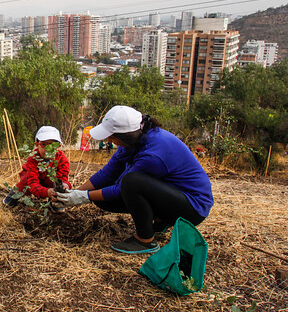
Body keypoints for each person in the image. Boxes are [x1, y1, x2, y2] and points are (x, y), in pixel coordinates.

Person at [56, 106, 213, 254]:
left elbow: (122, 188)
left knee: (131, 181)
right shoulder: (133, 141)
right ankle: (160, 219)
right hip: (171, 195)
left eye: (111, 136)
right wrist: (77, 192)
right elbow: (108, 173)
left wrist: (85, 197)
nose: (109, 141)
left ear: (124, 135)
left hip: (192, 207)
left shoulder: (153, 154)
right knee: (102, 196)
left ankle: (145, 240)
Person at [3, 126, 71, 210]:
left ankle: (56, 204)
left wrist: (64, 186)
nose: (48, 149)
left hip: (50, 180)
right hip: (30, 180)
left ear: (58, 146)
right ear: (37, 145)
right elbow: (32, 183)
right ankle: (11, 199)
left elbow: (63, 178)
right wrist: (46, 192)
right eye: (44, 144)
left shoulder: (62, 160)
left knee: (58, 186)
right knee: (24, 184)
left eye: (52, 145)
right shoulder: (33, 159)